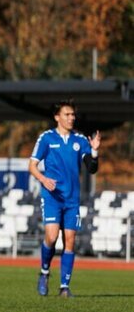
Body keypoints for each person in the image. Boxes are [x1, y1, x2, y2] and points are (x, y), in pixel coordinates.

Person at [30, 100, 100, 297]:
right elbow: (32, 165)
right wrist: (43, 179)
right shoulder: (46, 138)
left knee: (70, 240)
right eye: (67, 114)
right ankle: (44, 273)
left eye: (73, 115)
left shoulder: (80, 140)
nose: (71, 118)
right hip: (52, 197)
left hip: (71, 200)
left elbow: (92, 169)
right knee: (51, 237)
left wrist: (94, 151)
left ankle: (64, 287)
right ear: (57, 117)